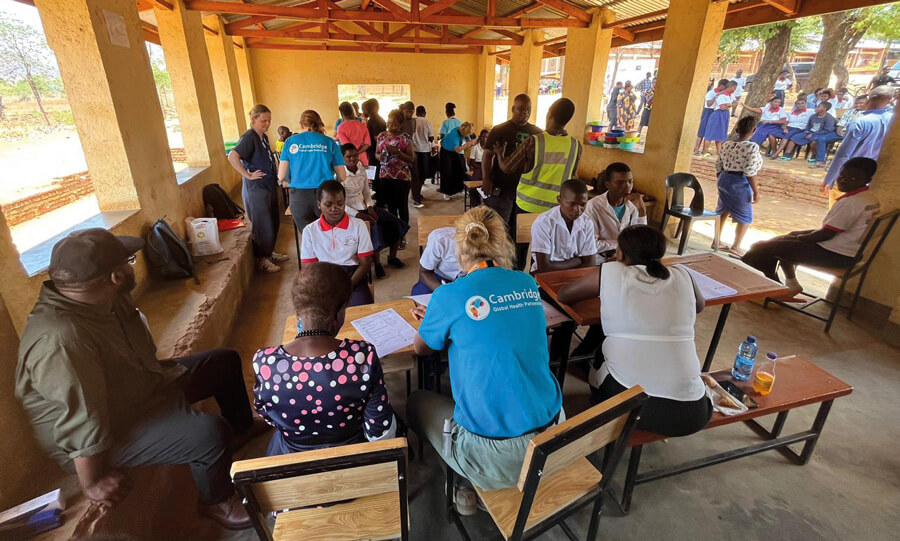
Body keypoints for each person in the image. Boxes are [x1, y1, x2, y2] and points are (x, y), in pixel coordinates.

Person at [15, 229, 265, 529]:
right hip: (100, 432)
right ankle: (217, 501)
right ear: (115, 276)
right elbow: (83, 415)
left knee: (222, 362)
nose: (132, 266)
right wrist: (92, 481)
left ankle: (241, 430)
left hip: (139, 388)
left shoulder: (103, 298)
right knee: (209, 433)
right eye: (129, 261)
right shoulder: (61, 339)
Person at [407, 207, 563, 510]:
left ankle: (465, 484)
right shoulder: (527, 283)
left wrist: (440, 318)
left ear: (459, 249)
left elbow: (421, 348)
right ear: (501, 243)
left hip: (494, 455)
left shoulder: (449, 294)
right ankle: (469, 479)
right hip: (554, 435)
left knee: (416, 402)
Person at [557, 225, 712, 437]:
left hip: (633, 406)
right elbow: (699, 306)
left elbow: (565, 295)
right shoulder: (682, 274)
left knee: (600, 357)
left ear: (620, 253)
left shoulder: (612, 272)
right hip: (693, 412)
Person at [253, 262, 396, 456]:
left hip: (293, 460)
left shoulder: (264, 363)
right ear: (340, 312)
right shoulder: (362, 357)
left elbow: (269, 416)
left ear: (297, 312)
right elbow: (379, 433)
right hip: (354, 460)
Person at [744, 157, 880, 299]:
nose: (844, 180)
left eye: (853, 178)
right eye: (842, 175)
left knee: (761, 248)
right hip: (850, 252)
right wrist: (796, 235)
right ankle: (790, 285)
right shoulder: (869, 198)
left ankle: (772, 290)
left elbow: (826, 234)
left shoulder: (851, 202)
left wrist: (799, 238)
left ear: (867, 179)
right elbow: (833, 231)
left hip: (834, 254)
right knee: (784, 242)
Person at [227, 104, 288, 273]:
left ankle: (268, 253)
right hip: (256, 189)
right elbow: (233, 156)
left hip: (268, 185)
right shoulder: (249, 137)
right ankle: (262, 259)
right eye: (263, 121)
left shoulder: (263, 137)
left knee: (273, 220)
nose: (267, 124)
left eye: (269, 120)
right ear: (253, 120)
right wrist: (247, 175)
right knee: (263, 223)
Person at [495, 98, 582, 215]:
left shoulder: (534, 142)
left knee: (524, 233)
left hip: (527, 204)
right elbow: (573, 175)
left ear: (550, 114)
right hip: (556, 207)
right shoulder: (575, 145)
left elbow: (507, 167)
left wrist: (499, 154)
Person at [300, 180, 374, 306]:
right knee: (318, 315)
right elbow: (308, 268)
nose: (335, 209)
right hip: (323, 278)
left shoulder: (358, 225)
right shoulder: (310, 231)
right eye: (328, 204)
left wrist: (347, 286)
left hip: (353, 278)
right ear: (319, 205)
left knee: (362, 312)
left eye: (340, 203)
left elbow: (365, 263)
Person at [341, 144, 408, 278]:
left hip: (366, 206)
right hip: (351, 211)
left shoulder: (361, 170)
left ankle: (392, 257)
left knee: (395, 222)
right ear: (342, 158)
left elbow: (366, 192)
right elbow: (341, 203)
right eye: (348, 157)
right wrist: (358, 214)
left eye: (355, 155)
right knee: (374, 228)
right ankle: (377, 264)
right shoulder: (339, 174)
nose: (353, 159)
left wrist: (370, 207)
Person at [822, 86, 894, 205]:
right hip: (873, 176)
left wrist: (830, 178)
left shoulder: (859, 122)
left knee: (838, 209)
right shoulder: (893, 120)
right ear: (890, 101)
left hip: (850, 175)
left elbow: (843, 154)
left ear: (868, 99)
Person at [279, 110, 347, 234]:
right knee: (328, 235)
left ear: (301, 125)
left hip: (299, 197)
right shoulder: (330, 142)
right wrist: (332, 182)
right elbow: (342, 176)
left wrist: (294, 180)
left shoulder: (290, 142)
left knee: (308, 237)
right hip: (326, 196)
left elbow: (281, 175)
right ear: (318, 123)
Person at [481, 94, 542, 230]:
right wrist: (486, 179)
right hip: (503, 188)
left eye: (528, 109)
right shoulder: (499, 130)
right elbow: (487, 156)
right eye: (521, 109)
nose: (525, 112)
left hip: (527, 191)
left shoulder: (537, 133)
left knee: (521, 229)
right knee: (499, 228)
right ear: (513, 108)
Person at [713, 116, 763, 255]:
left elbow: (718, 164)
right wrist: (756, 191)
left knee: (723, 210)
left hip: (724, 178)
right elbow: (750, 171)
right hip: (739, 181)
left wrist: (722, 180)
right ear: (754, 130)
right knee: (745, 217)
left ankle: (716, 240)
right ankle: (736, 247)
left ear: (737, 129)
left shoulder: (727, 144)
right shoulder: (751, 147)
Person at [529, 179, 597, 274]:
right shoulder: (543, 223)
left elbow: (590, 263)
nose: (578, 209)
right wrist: (577, 261)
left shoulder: (587, 222)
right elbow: (544, 267)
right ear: (559, 200)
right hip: (544, 278)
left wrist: (557, 265)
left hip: (575, 277)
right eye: (572, 204)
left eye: (583, 204)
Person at [585, 162, 647, 260]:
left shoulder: (632, 207)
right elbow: (591, 245)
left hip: (625, 258)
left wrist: (642, 211)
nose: (627, 186)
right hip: (600, 259)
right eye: (620, 183)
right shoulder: (593, 207)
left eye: (630, 181)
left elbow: (641, 240)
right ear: (607, 184)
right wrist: (621, 244)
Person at [376, 109, 416, 226]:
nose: (389, 126)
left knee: (402, 205)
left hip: (402, 177)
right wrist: (380, 157)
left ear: (400, 125)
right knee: (391, 206)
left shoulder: (406, 138)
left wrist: (398, 152)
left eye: (393, 124)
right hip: (385, 175)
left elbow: (411, 158)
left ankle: (403, 233)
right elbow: (376, 153)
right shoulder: (381, 136)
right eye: (388, 123)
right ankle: (395, 234)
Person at [411, 226, 464, 295]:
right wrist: (443, 292)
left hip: (467, 279)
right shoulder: (440, 239)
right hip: (437, 277)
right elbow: (424, 272)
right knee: (420, 296)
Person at [439, 119, 476, 200]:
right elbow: (457, 149)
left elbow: (468, 140)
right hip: (446, 151)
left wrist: (472, 142)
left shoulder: (463, 130)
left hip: (454, 151)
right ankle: (446, 192)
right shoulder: (454, 135)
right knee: (447, 171)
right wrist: (468, 144)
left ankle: (460, 188)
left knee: (460, 169)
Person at [701, 80, 737, 156]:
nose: (735, 90)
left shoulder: (730, 95)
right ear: (730, 87)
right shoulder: (721, 95)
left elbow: (735, 102)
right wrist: (731, 105)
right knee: (710, 134)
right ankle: (705, 151)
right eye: (734, 87)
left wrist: (728, 104)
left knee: (720, 134)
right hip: (718, 115)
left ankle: (719, 152)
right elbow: (722, 107)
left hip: (725, 115)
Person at [362, 99, 387, 206]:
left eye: (365, 109)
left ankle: (381, 201)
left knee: (376, 176)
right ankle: (380, 198)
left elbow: (378, 138)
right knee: (376, 176)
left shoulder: (374, 120)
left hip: (375, 153)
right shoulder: (376, 119)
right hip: (375, 152)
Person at [695, 79, 727, 155]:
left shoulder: (723, 95)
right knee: (702, 130)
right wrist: (717, 96)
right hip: (708, 111)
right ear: (721, 85)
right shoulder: (711, 93)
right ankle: (696, 149)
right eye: (725, 87)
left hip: (715, 112)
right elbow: (709, 104)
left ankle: (704, 150)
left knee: (708, 131)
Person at [412, 105, 435, 209]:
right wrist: (433, 147)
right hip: (424, 151)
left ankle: (416, 194)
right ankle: (416, 196)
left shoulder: (413, 122)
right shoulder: (427, 122)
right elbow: (431, 138)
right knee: (422, 175)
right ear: (424, 113)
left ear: (416, 113)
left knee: (415, 174)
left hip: (414, 151)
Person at [336, 102, 371, 166]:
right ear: (353, 112)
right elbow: (367, 144)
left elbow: (347, 146)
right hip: (362, 159)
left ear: (342, 114)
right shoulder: (362, 126)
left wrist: (353, 154)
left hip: (349, 160)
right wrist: (357, 152)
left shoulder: (340, 128)